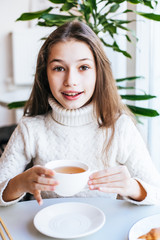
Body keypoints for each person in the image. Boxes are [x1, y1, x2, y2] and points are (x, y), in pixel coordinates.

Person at [0, 20, 160, 207]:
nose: (71, 80)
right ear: (45, 75)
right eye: (59, 68)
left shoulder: (121, 127)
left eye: (83, 67)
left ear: (98, 73)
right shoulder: (31, 129)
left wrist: (131, 187)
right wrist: (19, 184)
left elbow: (156, 194)